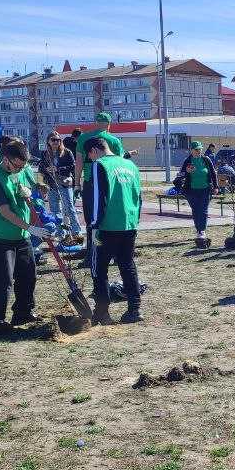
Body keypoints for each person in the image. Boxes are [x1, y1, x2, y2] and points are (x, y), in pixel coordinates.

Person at [0, 140, 49, 334]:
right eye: (17, 166)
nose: (20, 169)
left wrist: (31, 191)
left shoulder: (17, 172)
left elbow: (18, 193)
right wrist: (31, 228)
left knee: (28, 274)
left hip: (21, 235)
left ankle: (23, 312)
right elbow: (5, 211)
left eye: (23, 166)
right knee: (4, 278)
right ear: (6, 160)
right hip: (2, 236)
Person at [82, 136, 144, 325]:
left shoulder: (100, 165)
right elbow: (138, 196)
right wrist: (135, 219)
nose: (90, 159)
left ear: (94, 150)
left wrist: (94, 225)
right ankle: (134, 309)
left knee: (99, 269)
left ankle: (102, 313)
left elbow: (99, 197)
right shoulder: (130, 165)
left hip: (107, 225)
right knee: (127, 266)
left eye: (89, 156)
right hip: (129, 223)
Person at [74, 112, 134, 188]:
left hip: (89, 180)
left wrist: (77, 184)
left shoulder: (82, 138)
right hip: (109, 181)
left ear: (95, 123)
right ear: (109, 124)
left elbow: (79, 163)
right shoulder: (115, 141)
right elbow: (120, 163)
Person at [41, 132, 82, 240]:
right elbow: (41, 168)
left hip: (65, 184)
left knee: (70, 209)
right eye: (53, 140)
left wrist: (58, 169)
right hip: (51, 185)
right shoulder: (44, 153)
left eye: (58, 140)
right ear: (48, 141)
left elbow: (73, 166)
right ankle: (60, 234)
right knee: (55, 211)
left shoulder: (67, 152)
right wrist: (46, 169)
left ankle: (76, 232)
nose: (56, 142)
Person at [179, 141, 217, 247]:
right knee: (195, 210)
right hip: (191, 191)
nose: (198, 151)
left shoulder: (206, 159)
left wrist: (216, 187)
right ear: (191, 150)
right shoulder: (187, 161)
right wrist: (186, 172)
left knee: (203, 210)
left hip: (205, 189)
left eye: (200, 149)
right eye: (196, 149)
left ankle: (202, 231)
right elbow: (180, 176)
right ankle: (198, 229)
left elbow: (213, 173)